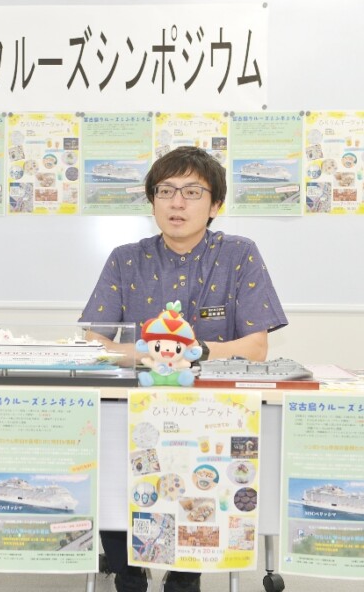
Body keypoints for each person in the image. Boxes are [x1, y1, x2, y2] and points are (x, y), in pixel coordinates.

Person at [80, 146, 287, 592]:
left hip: (207, 415)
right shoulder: (125, 258)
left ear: (215, 205)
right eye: (166, 191)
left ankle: (183, 577)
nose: (177, 203)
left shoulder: (239, 254)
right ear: (152, 200)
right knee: (112, 479)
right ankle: (128, 575)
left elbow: (256, 348)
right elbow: (94, 342)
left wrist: (195, 352)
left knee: (198, 486)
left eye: (192, 192)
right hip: (131, 409)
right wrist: (151, 355)